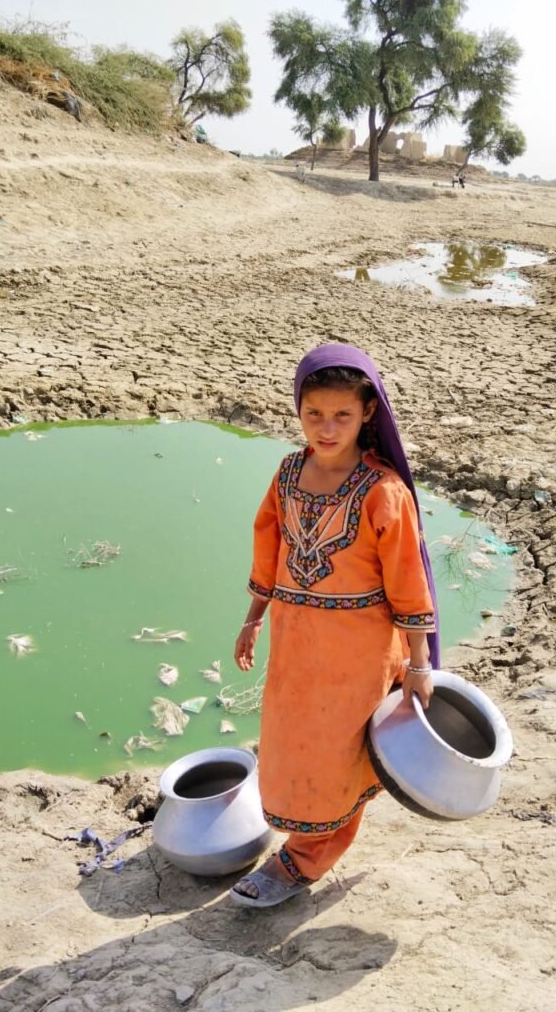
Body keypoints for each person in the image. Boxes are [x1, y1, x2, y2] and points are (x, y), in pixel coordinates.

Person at [230, 343, 440, 908]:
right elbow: (268, 548)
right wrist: (253, 619)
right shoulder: (289, 472)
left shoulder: (382, 491)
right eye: (313, 415)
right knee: (290, 744)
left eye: (341, 416)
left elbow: (408, 585)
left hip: (359, 653)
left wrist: (419, 664)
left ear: (368, 412)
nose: (326, 428)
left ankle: (303, 860)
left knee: (335, 753)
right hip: (295, 646)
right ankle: (306, 835)